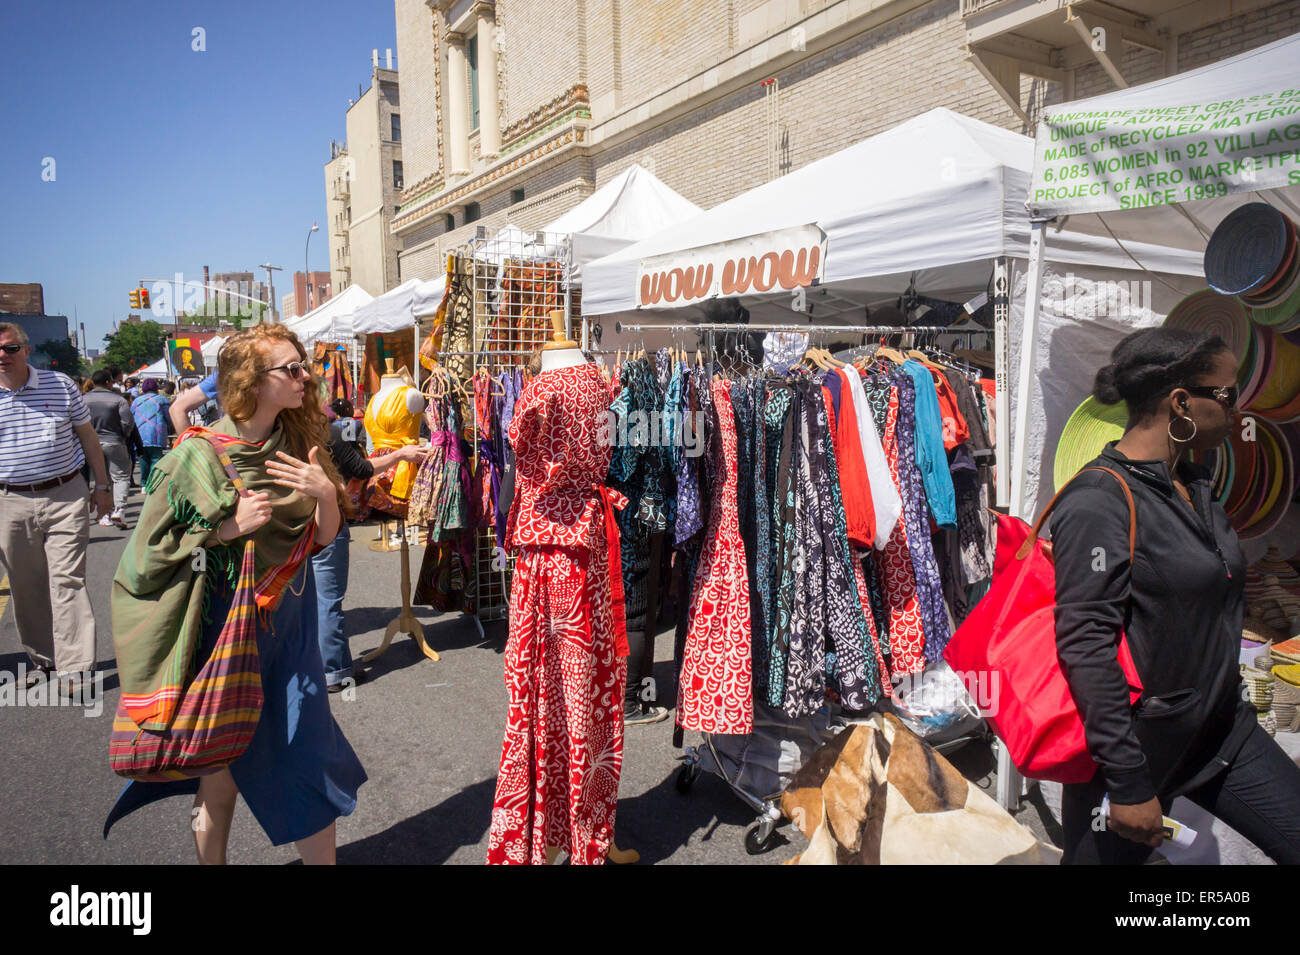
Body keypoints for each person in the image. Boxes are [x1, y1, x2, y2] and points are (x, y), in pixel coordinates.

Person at [106, 323, 366, 864]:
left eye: (303, 365)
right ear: (251, 380)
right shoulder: (190, 459)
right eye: (289, 368)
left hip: (291, 629)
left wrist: (326, 497)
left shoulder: (303, 445)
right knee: (218, 771)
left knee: (307, 754)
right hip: (222, 630)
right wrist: (226, 529)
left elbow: (321, 540)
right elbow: (144, 560)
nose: (304, 376)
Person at [1051, 328, 1300, 864]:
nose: (1239, 411)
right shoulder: (1099, 500)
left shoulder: (1196, 482)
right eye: (1229, 395)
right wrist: (1129, 783)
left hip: (1221, 734)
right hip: (1135, 753)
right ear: (1182, 401)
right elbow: (1085, 646)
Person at [0, 322, 112, 695]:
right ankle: (43, 661)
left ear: (26, 351)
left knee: (66, 579)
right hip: (10, 500)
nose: (3, 356)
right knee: (26, 586)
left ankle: (76, 666)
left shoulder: (60, 385)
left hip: (65, 494)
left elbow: (88, 438)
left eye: (11, 348)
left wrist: (103, 485)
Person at [314, 397, 427, 691]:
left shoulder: (289, 435)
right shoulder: (329, 435)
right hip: (327, 519)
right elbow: (362, 469)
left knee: (313, 598)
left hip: (300, 523)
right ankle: (335, 671)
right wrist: (401, 454)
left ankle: (322, 663)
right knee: (328, 599)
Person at [83, 368, 137, 528]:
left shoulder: (82, 400)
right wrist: (122, 435)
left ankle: (104, 514)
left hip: (91, 444)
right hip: (114, 441)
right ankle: (119, 510)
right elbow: (128, 423)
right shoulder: (118, 400)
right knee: (120, 476)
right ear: (108, 382)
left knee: (102, 479)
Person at [130, 378, 171, 488]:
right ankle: (153, 484)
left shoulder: (136, 401)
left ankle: (144, 483)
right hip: (157, 434)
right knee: (156, 459)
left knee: (143, 459)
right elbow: (168, 417)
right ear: (156, 388)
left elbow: (131, 416)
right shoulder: (162, 400)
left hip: (140, 434)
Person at [170, 370, 219, 434]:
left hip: (190, 416)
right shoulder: (220, 376)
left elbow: (175, 408)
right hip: (195, 415)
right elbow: (176, 408)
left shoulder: (179, 393)